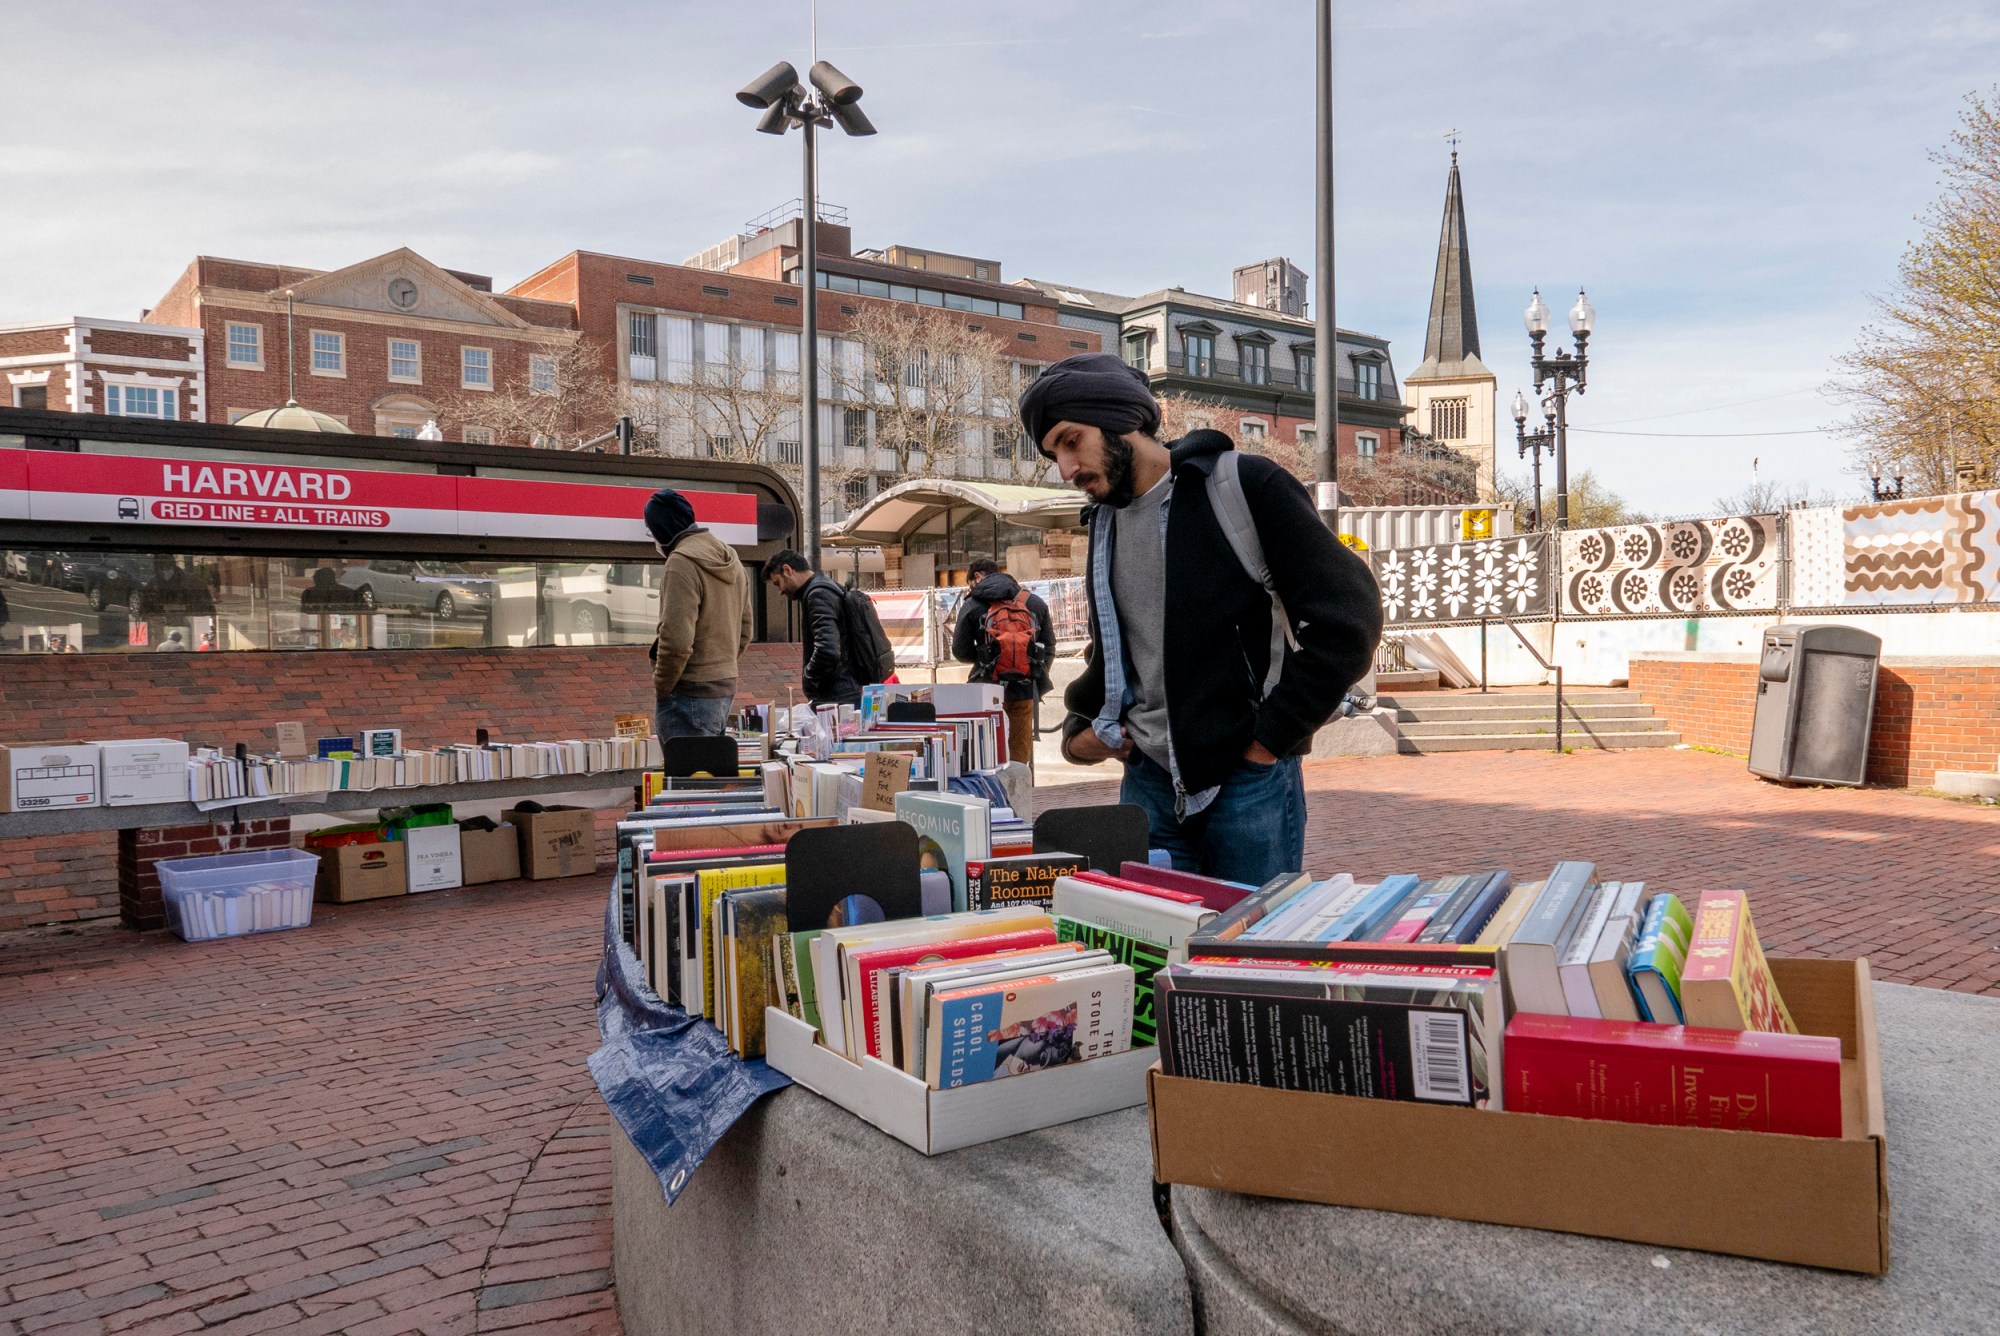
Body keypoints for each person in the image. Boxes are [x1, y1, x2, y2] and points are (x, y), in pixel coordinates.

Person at [1019, 352, 1382, 885]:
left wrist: (1269, 742)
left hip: (1245, 778)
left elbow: (1350, 620)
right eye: (1054, 454)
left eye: (1072, 441)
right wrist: (1082, 728)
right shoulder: (1102, 523)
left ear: (1123, 420)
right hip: (1146, 781)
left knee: (1248, 952)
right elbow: (1116, 646)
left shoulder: (1243, 486)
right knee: (1153, 952)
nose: (1066, 469)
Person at [646, 487, 754, 741]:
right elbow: (746, 628)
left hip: (686, 694)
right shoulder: (731, 557)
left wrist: (662, 688)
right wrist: (720, 665)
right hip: (724, 688)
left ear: (662, 529)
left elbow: (676, 641)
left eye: (651, 530)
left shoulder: (681, 562)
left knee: (686, 778)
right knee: (707, 777)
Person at [951, 558, 1055, 767]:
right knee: (1017, 757)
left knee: (983, 754)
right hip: (1024, 690)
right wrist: (1031, 669)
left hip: (985, 689)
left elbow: (960, 651)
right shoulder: (1034, 602)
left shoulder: (972, 604)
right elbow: (1049, 647)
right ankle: (1017, 797)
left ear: (977, 577)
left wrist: (986, 658)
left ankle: (987, 796)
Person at [762, 550, 865, 708]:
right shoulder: (829, 587)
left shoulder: (818, 594)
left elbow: (828, 649)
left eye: (777, 583)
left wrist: (809, 679)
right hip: (849, 690)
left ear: (788, 570)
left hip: (837, 695)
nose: (780, 591)